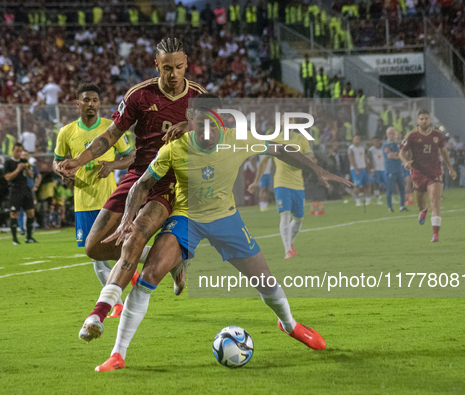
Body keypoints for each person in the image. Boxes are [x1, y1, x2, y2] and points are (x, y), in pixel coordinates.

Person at [88, 94, 353, 371]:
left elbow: (281, 149)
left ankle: (290, 325)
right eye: (200, 125)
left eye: (212, 126)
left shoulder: (238, 139)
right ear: (192, 124)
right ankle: (118, 354)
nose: (207, 132)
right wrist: (128, 219)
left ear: (222, 124)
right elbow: (142, 184)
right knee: (149, 275)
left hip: (226, 218)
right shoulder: (174, 148)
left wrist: (318, 170)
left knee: (265, 281)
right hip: (186, 218)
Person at [58, 38, 207, 325]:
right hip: (138, 175)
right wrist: (78, 160)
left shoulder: (199, 96)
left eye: (178, 67)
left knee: (135, 234)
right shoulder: (139, 95)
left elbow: (223, 124)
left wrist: (190, 125)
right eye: (166, 68)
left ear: (186, 63)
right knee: (94, 247)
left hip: (170, 181)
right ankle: (171, 259)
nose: (173, 74)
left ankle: (98, 315)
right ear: (156, 65)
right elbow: (111, 135)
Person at [53, 83, 135, 317]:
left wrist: (112, 165)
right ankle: (117, 301)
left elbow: (131, 156)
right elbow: (56, 160)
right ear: (77, 103)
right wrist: (62, 172)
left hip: (110, 202)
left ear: (99, 103)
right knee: (96, 256)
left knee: (120, 250)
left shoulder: (112, 128)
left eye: (95, 100)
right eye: (86, 100)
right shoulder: (67, 132)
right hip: (83, 204)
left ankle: (123, 291)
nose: (91, 104)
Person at [249, 115, 315, 259]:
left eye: (292, 120)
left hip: (298, 183)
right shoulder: (275, 140)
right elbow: (263, 162)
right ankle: (287, 250)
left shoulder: (301, 139)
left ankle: (290, 243)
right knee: (285, 215)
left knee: (298, 218)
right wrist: (256, 181)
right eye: (287, 120)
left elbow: (311, 158)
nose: (290, 122)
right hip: (281, 182)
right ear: (281, 123)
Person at [399, 110, 457, 242]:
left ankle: (435, 234)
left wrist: (450, 168)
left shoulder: (438, 135)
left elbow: (443, 151)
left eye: (426, 118)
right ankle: (423, 210)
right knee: (420, 204)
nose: (424, 121)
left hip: (434, 173)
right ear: (417, 121)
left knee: (435, 201)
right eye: (421, 119)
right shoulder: (411, 135)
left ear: (430, 120)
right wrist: (405, 162)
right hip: (418, 173)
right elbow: (401, 152)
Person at [3, 143, 37, 245]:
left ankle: (29, 237)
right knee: (14, 214)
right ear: (13, 150)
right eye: (17, 151)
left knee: (31, 213)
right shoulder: (8, 163)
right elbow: (7, 177)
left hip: (25, 190)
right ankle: (15, 239)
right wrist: (18, 169)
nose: (19, 153)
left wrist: (26, 168)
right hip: (15, 190)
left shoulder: (24, 161)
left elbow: (31, 175)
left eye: (20, 151)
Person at [382, 127, 407, 213]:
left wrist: (397, 155)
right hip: (390, 170)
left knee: (402, 188)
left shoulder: (397, 144)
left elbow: (404, 153)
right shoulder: (386, 144)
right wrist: (398, 155)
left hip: (399, 170)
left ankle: (402, 207)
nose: (392, 135)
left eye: (393, 133)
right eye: (390, 133)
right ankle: (390, 207)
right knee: (390, 189)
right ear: (387, 135)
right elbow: (389, 155)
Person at [17, 150, 41, 236]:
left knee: (30, 209)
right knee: (20, 210)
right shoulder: (17, 165)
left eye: (26, 155)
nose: (24, 156)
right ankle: (21, 227)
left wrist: (36, 186)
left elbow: (34, 176)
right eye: (23, 155)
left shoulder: (31, 166)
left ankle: (29, 226)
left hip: (29, 190)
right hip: (20, 190)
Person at [348, 135, 371, 206]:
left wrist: (367, 168)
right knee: (356, 185)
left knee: (367, 184)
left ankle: (368, 200)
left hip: (363, 168)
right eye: (356, 139)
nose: (358, 140)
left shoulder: (362, 148)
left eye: (359, 139)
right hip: (356, 169)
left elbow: (364, 158)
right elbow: (351, 159)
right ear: (353, 140)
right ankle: (357, 201)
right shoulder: (351, 149)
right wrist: (356, 169)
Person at [367, 137, 385, 205]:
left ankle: (392, 197)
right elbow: (370, 161)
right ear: (373, 143)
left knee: (389, 183)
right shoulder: (371, 150)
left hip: (384, 169)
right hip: (376, 169)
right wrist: (373, 169)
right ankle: (377, 198)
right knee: (376, 184)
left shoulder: (383, 148)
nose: (376, 143)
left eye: (378, 141)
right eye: (375, 141)